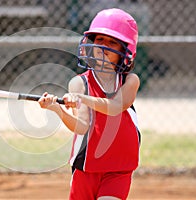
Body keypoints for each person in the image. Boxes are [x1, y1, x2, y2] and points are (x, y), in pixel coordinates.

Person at [38, 8, 141, 200]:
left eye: (112, 42)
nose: (103, 46)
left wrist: (83, 99)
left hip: (119, 167)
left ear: (125, 51)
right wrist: (57, 109)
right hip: (87, 165)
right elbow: (82, 126)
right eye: (99, 40)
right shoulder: (79, 83)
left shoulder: (130, 80)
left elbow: (116, 106)